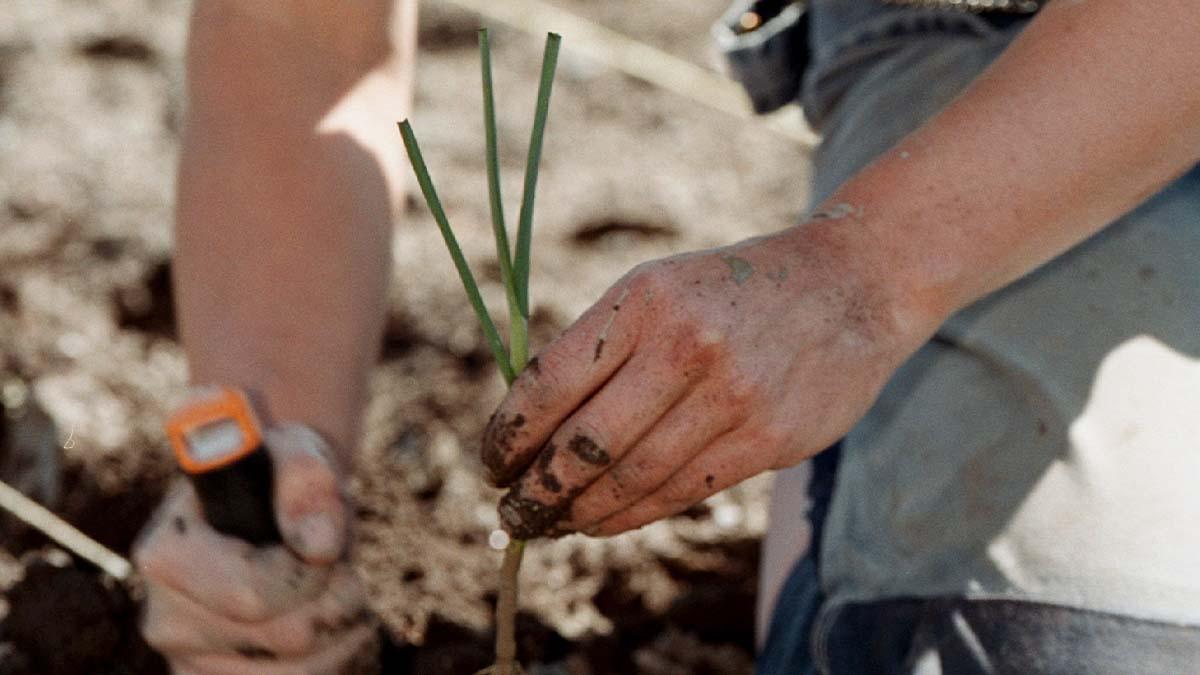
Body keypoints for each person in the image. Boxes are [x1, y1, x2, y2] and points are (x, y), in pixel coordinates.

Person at [134, 0, 1200, 673]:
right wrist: (279, 467)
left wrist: (870, 275)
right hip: (1007, 40)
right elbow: (299, 31)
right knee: (1025, 649)